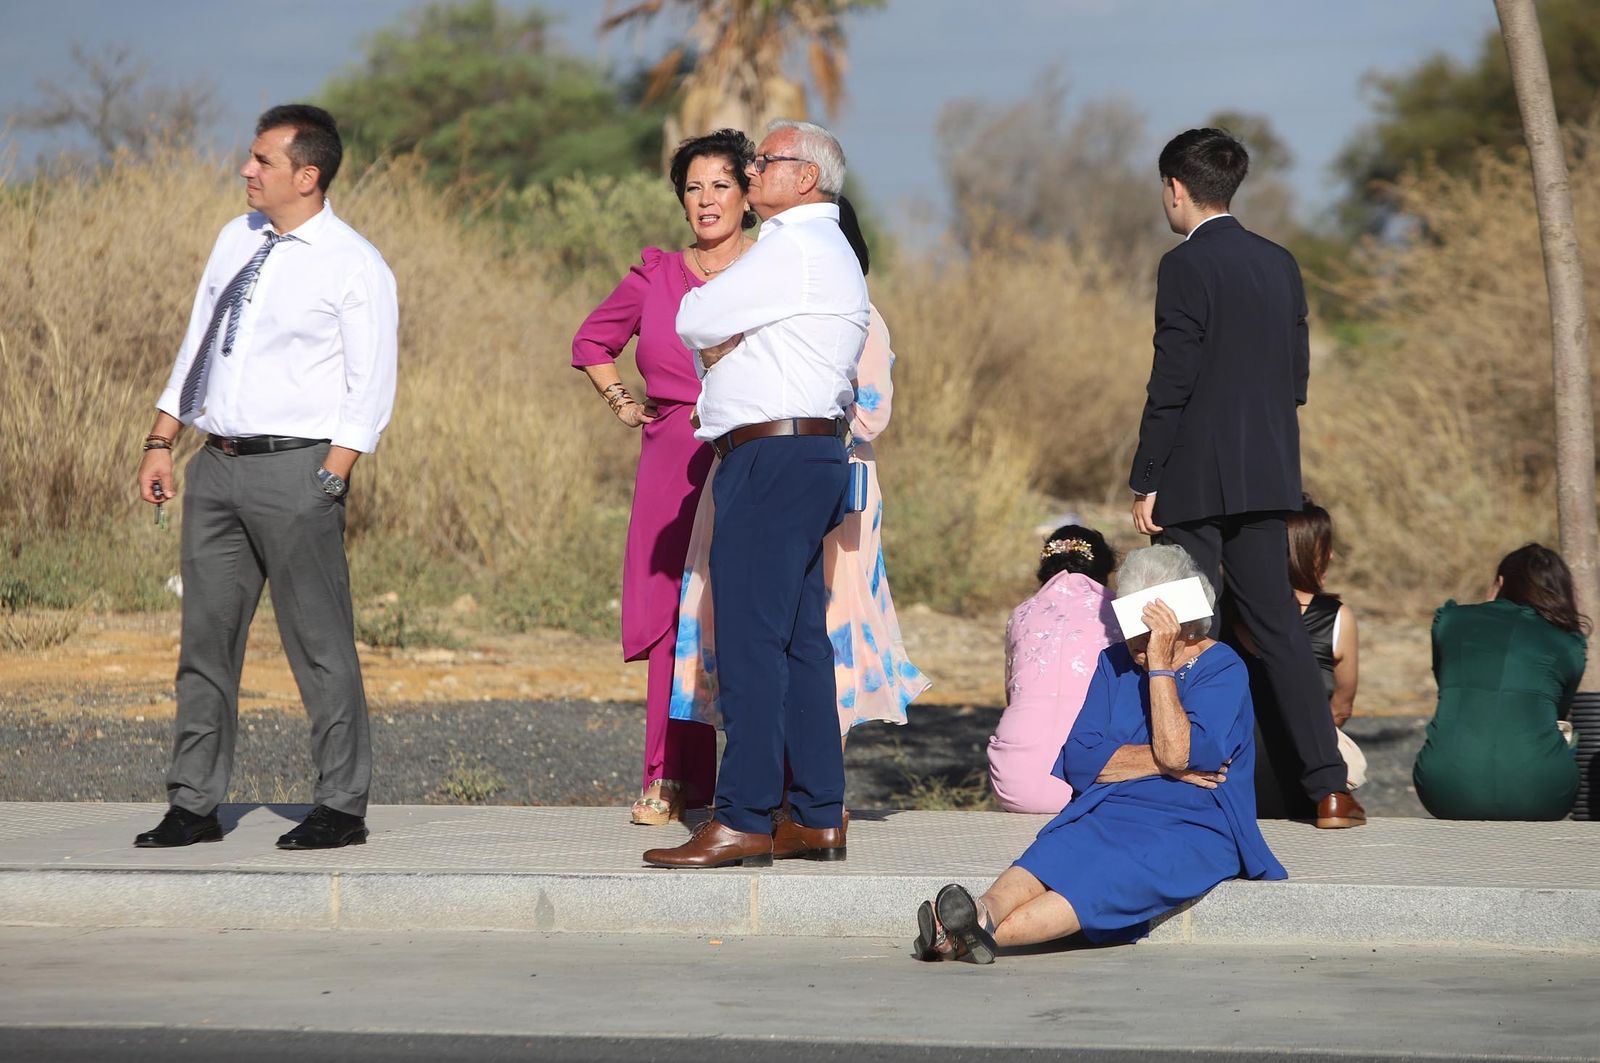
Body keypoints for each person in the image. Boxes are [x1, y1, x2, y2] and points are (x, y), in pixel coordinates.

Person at [131, 104, 398, 851]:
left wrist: (329, 477)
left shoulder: (354, 263)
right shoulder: (235, 238)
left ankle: (341, 806)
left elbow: (370, 385)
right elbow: (200, 341)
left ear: (306, 176)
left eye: (262, 161)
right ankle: (192, 803)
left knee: (319, 644)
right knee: (205, 641)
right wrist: (163, 436)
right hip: (215, 464)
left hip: (298, 470)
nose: (246, 171)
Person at [643, 119, 867, 869]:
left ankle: (741, 816)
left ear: (804, 177)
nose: (749, 169)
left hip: (770, 457)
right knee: (800, 641)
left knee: (748, 643)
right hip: (803, 453)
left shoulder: (794, 245)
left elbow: (693, 315)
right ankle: (814, 814)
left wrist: (726, 333)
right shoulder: (820, 248)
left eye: (762, 162)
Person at [1127, 127, 1363, 830]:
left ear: (1175, 188)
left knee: (1182, 624)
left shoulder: (1183, 265)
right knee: (1280, 631)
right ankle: (1329, 789)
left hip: (1194, 476)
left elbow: (1173, 377)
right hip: (1267, 474)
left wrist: (1147, 477)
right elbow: (1297, 379)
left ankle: (1188, 777)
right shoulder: (1280, 262)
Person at [914, 546, 1285, 963]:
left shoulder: (1223, 668)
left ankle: (963, 936)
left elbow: (1179, 747)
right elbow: (1081, 758)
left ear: (1182, 627)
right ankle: (981, 912)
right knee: (1056, 847)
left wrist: (1160, 669)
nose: (1136, 646)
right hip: (1108, 806)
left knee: (1105, 876)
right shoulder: (1115, 663)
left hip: (1193, 823)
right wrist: (1168, 767)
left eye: (1150, 634)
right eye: (1131, 632)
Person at [669, 195, 930, 750]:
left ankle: (804, 774)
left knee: (819, 619)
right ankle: (793, 782)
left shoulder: (858, 314)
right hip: (762, 460)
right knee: (768, 619)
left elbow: (872, 412)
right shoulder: (778, 306)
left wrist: (808, 418)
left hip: (825, 473)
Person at [570, 129, 758, 826]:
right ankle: (668, 775)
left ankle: (758, 780)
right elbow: (593, 341)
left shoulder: (773, 268)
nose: (706, 199)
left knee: (746, 611)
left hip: (753, 446)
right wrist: (623, 400)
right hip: (673, 454)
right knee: (673, 614)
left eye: (720, 184)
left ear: (747, 195)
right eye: (693, 187)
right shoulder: (654, 274)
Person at [1414, 544, 1586, 821]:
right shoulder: (1569, 643)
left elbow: (1446, 682)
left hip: (1444, 789)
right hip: (1542, 795)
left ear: (1500, 583)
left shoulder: (1450, 621)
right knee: (1567, 736)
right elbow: (1557, 714)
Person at [987, 526, 1118, 814]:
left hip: (1015, 783)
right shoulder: (1121, 612)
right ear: (1105, 567)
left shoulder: (1021, 613)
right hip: (1093, 785)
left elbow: (1012, 691)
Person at [1249, 496, 1367, 814]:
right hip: (1305, 785)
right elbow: (1341, 708)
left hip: (1235, 781)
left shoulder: (1228, 616)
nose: (1330, 556)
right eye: (1323, 547)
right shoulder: (1336, 618)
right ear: (1300, 551)